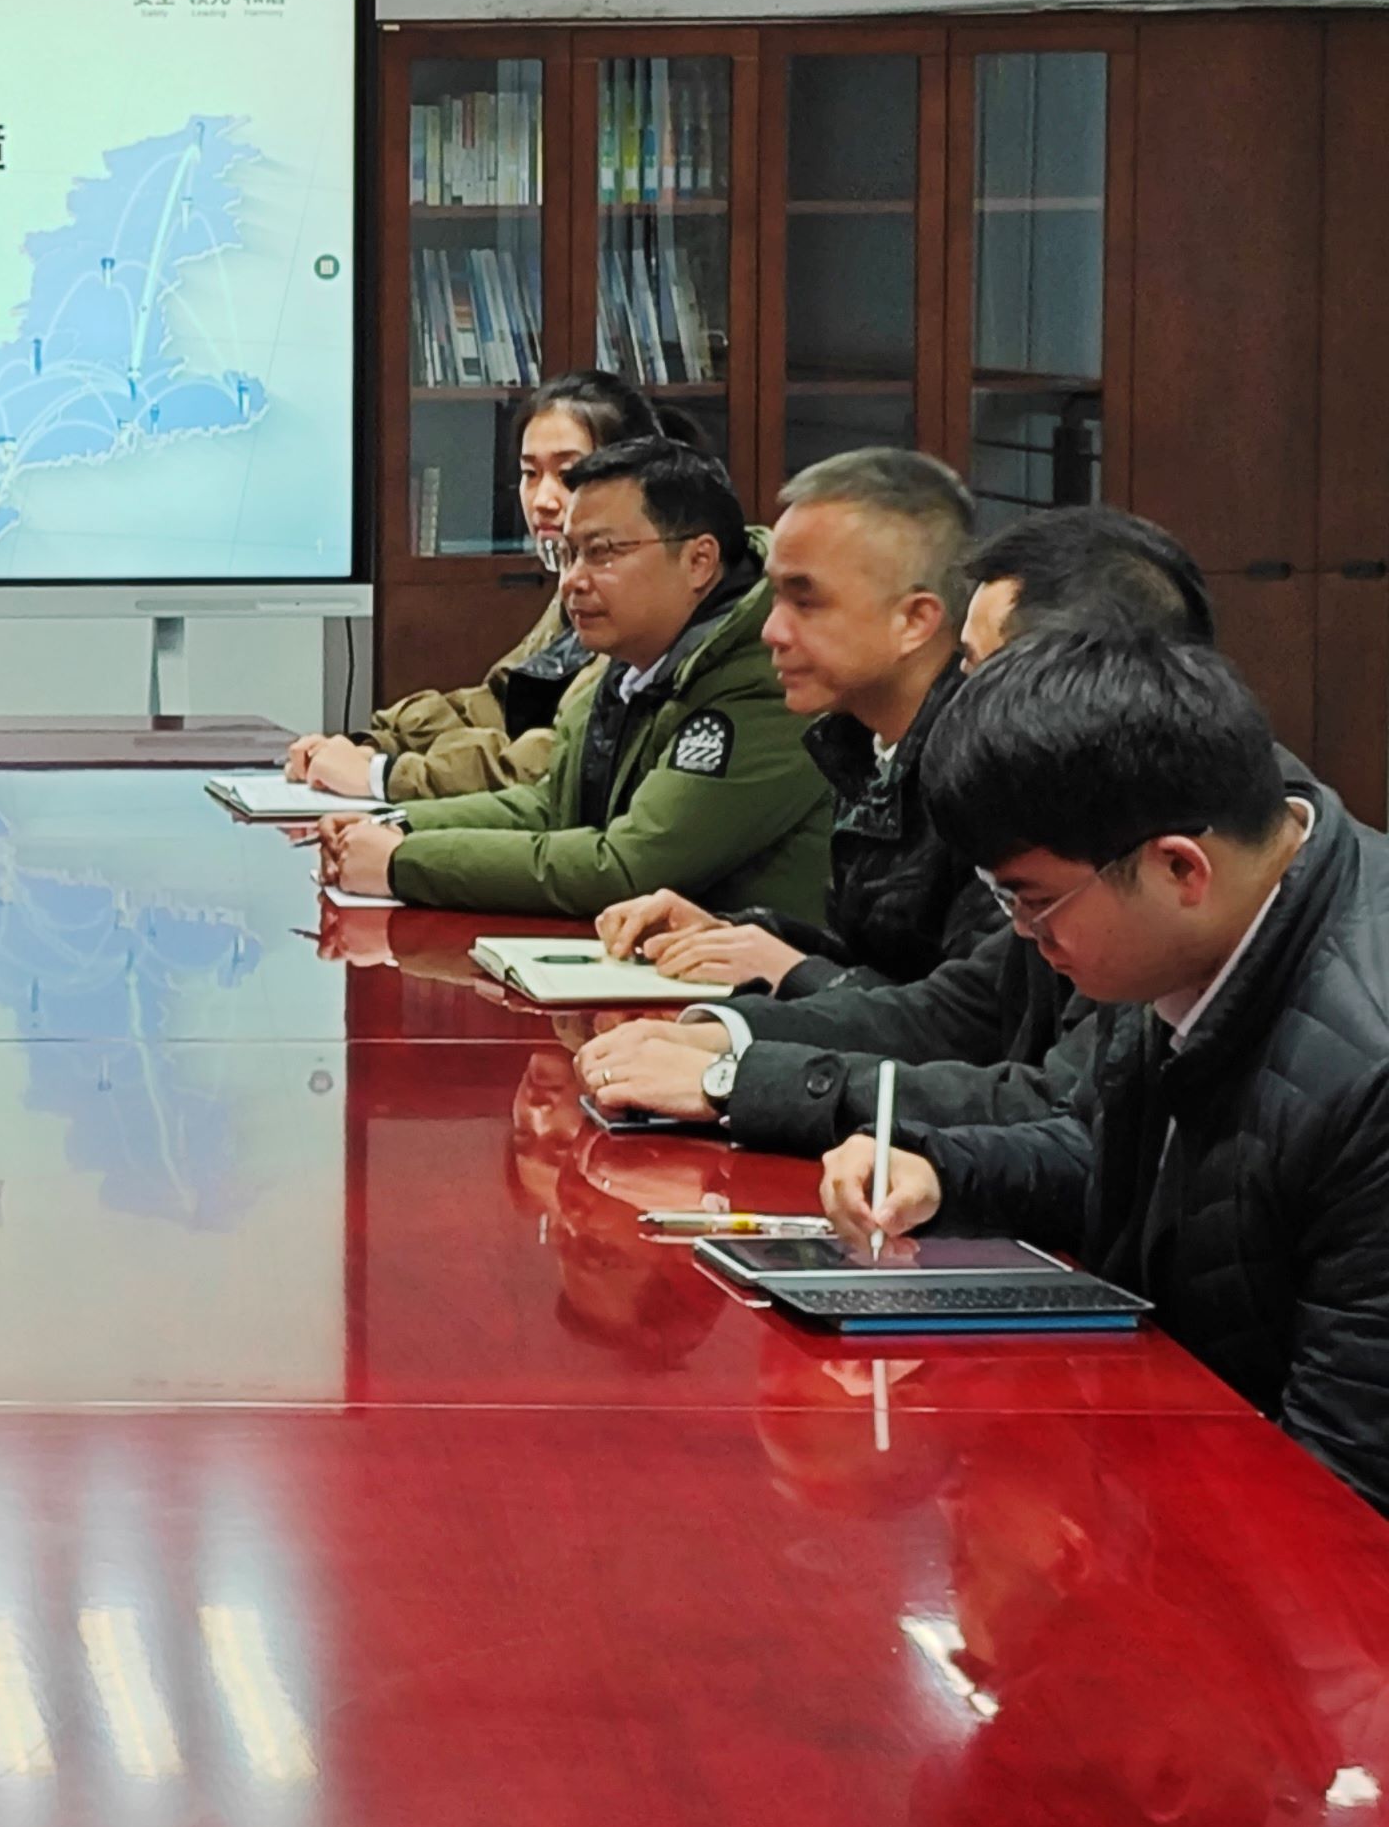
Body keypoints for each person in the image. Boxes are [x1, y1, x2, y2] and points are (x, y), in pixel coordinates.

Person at [824, 630, 1389, 1517]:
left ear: (1178, 867)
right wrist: (941, 1168)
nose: (1022, 933)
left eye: (1035, 900)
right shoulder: (1192, 922)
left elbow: (1345, 1498)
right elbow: (1144, 1163)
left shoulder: (1370, 1070)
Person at [572, 502, 1215, 1149]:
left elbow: (1061, 1114)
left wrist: (737, 1076)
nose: (961, 694)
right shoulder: (1039, 798)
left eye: (978, 668)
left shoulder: (1131, 839)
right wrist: (735, 1035)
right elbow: (963, 1008)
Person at [323, 438, 829, 924]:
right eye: (568, 555)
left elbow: (630, 867)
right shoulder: (628, 657)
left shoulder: (770, 679)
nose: (572, 581)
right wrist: (398, 825)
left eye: (602, 552)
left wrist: (404, 863)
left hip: (752, 995)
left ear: (699, 560)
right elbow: (555, 805)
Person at [591, 447, 977, 992]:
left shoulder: (985, 778)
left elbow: (974, 1029)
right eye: (775, 597)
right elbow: (881, 965)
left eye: (806, 601)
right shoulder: (863, 745)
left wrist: (795, 973)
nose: (773, 630)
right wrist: (739, 935)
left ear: (914, 620)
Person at [285, 368, 665, 801]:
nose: (543, 500)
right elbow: (498, 704)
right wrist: (375, 743)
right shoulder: (574, 583)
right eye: (529, 474)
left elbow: (556, 762)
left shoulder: (644, 597)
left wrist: (383, 775)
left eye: (568, 473)